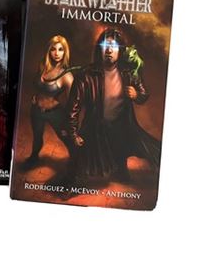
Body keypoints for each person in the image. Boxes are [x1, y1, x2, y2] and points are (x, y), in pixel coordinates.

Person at [68, 29, 160, 182]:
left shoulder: (128, 72)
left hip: (122, 126)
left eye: (114, 46)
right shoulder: (86, 75)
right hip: (95, 127)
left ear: (120, 50)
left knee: (150, 150)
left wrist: (136, 95)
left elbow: (144, 94)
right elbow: (73, 107)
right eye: (105, 45)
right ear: (100, 48)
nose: (109, 50)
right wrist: (73, 133)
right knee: (81, 168)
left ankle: (121, 169)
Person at [24, 35, 74, 167]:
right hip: (36, 110)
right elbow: (38, 86)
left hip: (54, 113)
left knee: (67, 138)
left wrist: (69, 123)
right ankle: (34, 158)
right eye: (53, 49)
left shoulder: (66, 75)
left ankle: (76, 163)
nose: (57, 53)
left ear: (65, 52)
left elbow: (72, 102)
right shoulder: (43, 67)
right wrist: (35, 96)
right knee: (37, 137)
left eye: (60, 49)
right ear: (49, 51)